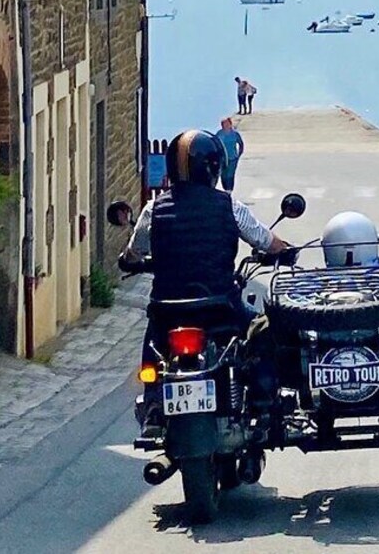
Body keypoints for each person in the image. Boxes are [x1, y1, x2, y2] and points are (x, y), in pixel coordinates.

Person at [119, 129, 288, 438]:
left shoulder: (153, 210)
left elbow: (132, 253)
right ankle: (263, 403)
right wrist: (283, 249)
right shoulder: (229, 207)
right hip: (220, 308)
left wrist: (131, 260)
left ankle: (155, 403)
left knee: (153, 343)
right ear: (213, 168)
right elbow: (265, 240)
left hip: (168, 310)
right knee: (264, 331)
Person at [217, 117, 245, 192]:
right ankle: (225, 188)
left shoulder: (235, 134)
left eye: (227, 123)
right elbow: (215, 144)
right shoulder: (219, 134)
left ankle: (229, 191)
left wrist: (239, 154)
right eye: (223, 124)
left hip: (232, 158)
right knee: (223, 175)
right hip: (222, 159)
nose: (225, 125)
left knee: (230, 174)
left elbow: (241, 144)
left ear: (230, 124)